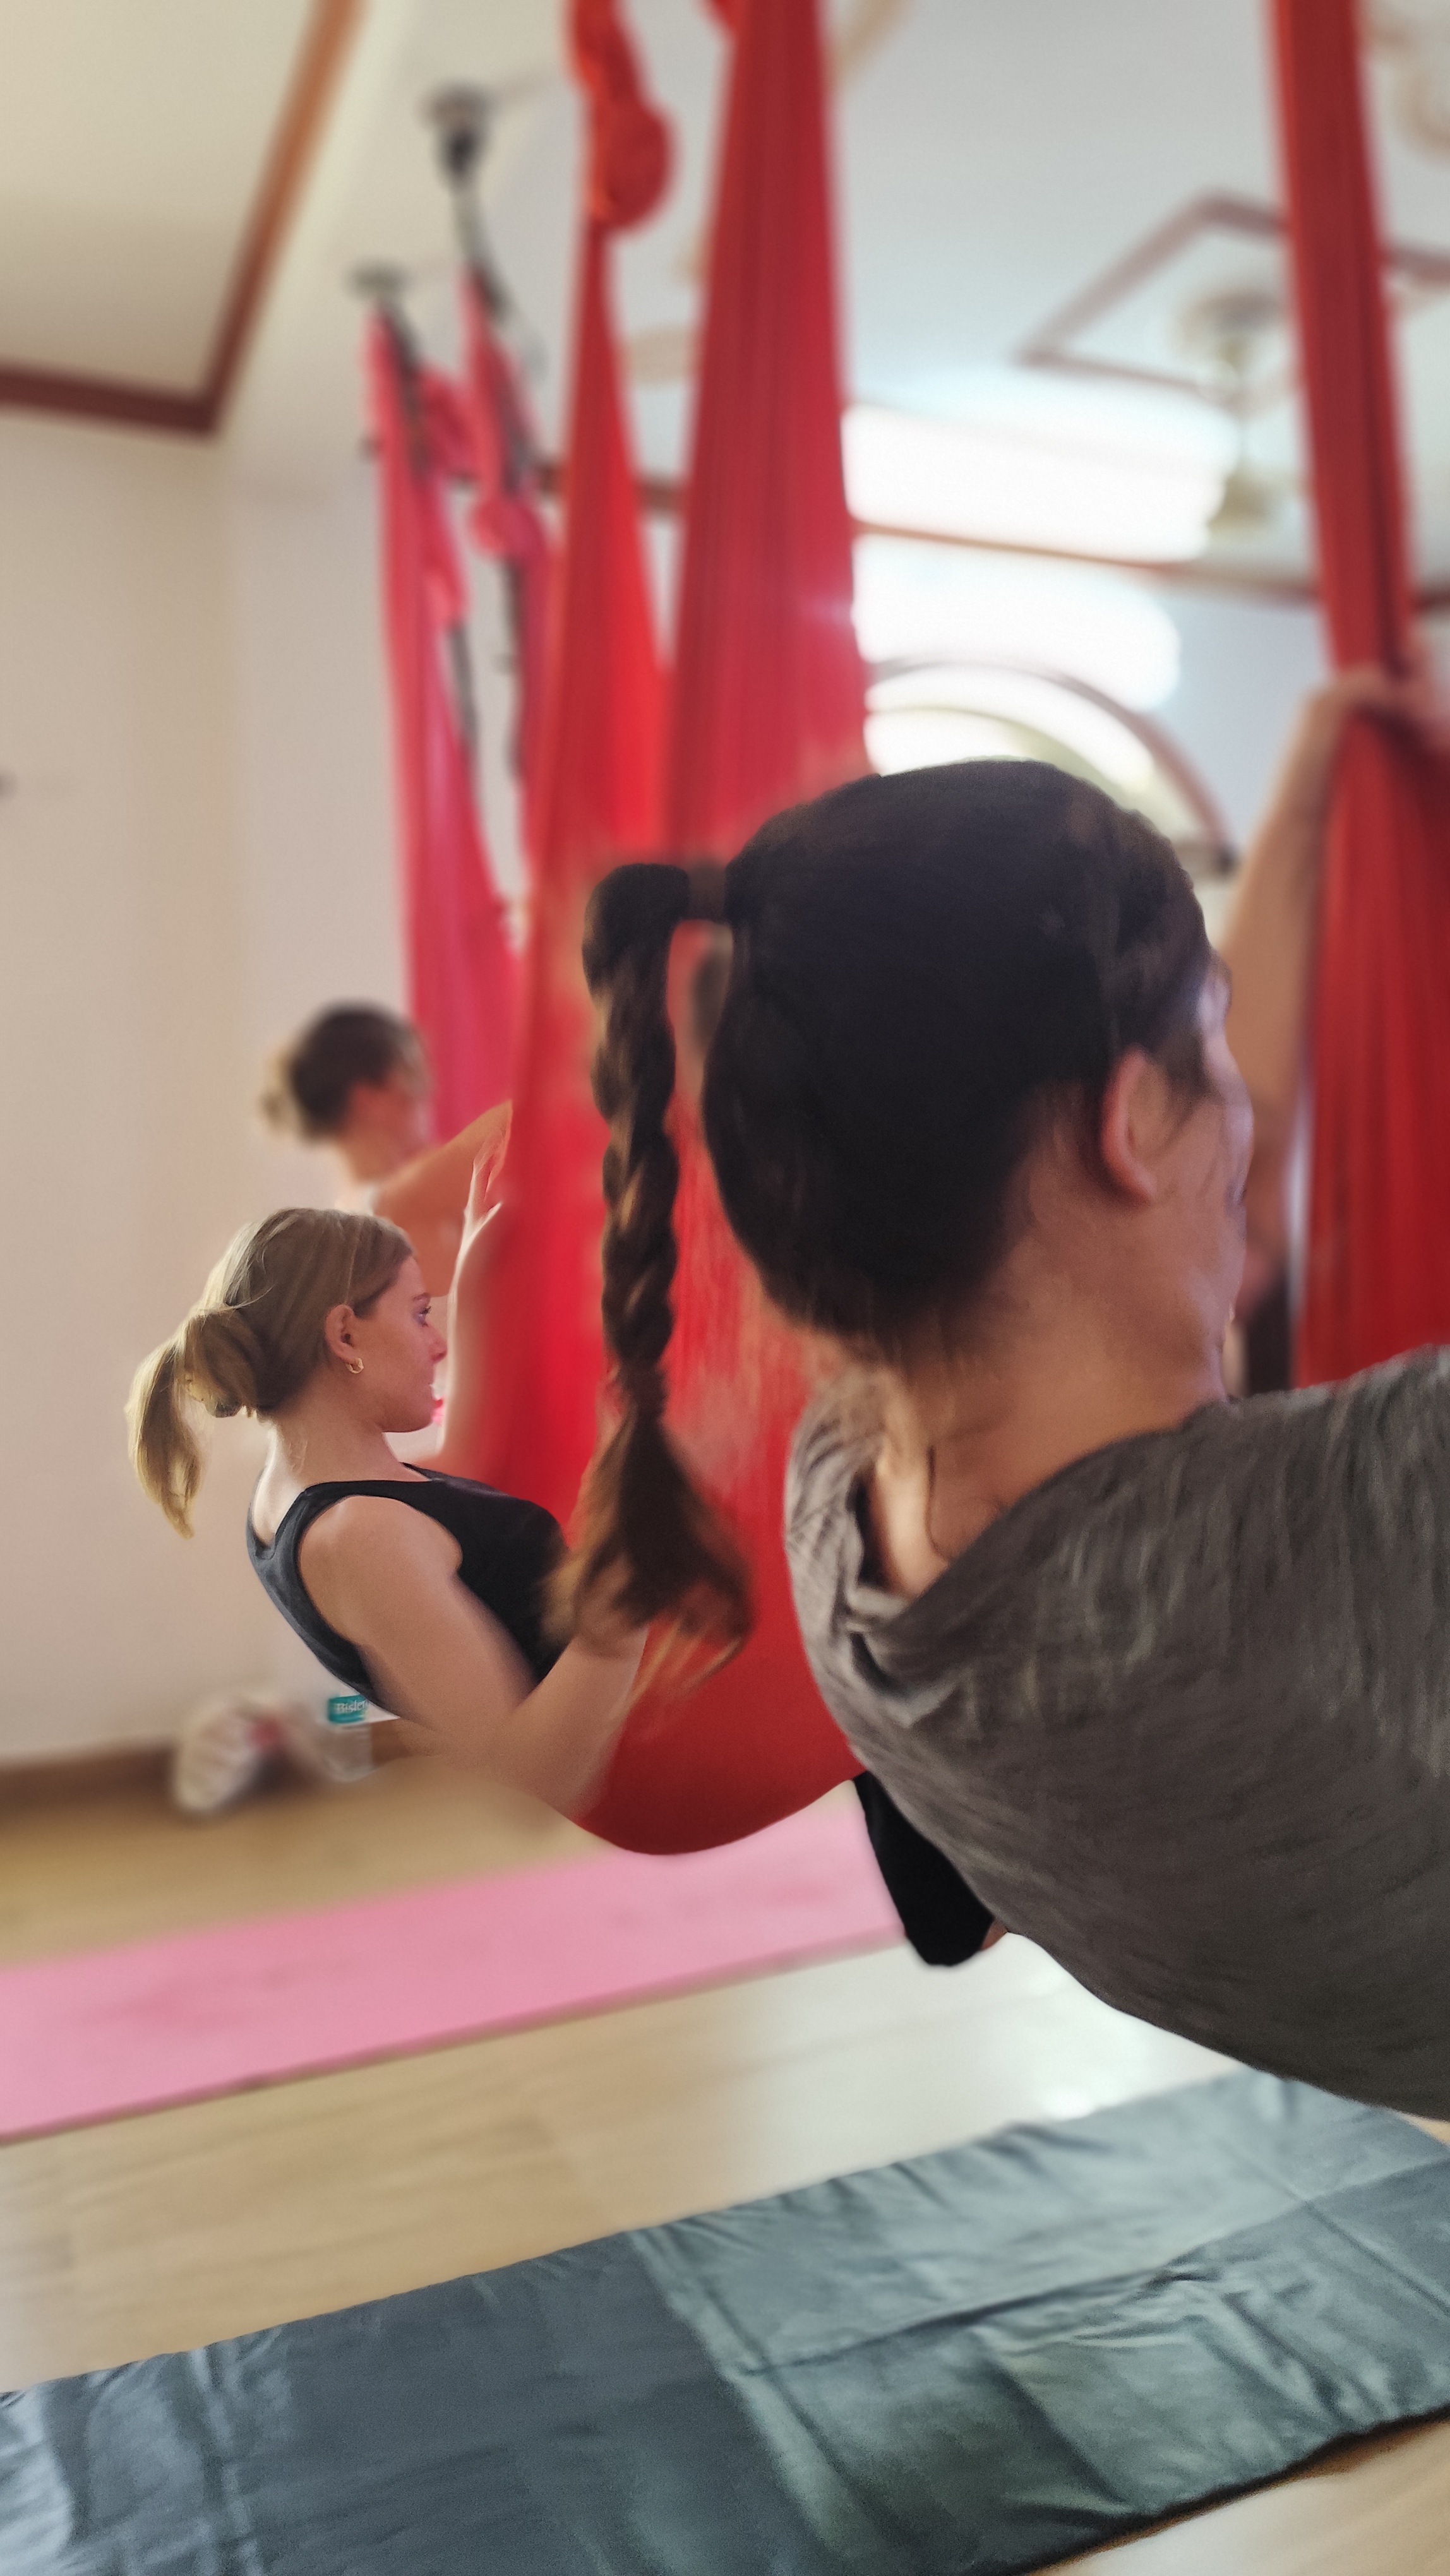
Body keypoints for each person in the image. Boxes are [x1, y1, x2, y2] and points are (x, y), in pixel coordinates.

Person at [566, 680, 1450, 2120]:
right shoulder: (1391, 1507)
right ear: (1122, 1122)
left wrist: (1302, 811)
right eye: (1210, 1045)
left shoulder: (843, 1506)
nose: (1248, 1112)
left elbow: (1185, 1197)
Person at [128, 1169, 644, 1821]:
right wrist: (623, 1611)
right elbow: (535, 1777)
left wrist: (479, 1273)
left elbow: (454, 1476)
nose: (435, 1344)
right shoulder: (365, 1541)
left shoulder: (300, 1496)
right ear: (344, 1336)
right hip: (646, 1745)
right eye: (420, 1314)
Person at [260, 1003, 509, 1297]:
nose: (427, 1090)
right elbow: (519, 1121)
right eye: (412, 1073)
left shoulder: (350, 1217)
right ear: (368, 1101)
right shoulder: (387, 1209)